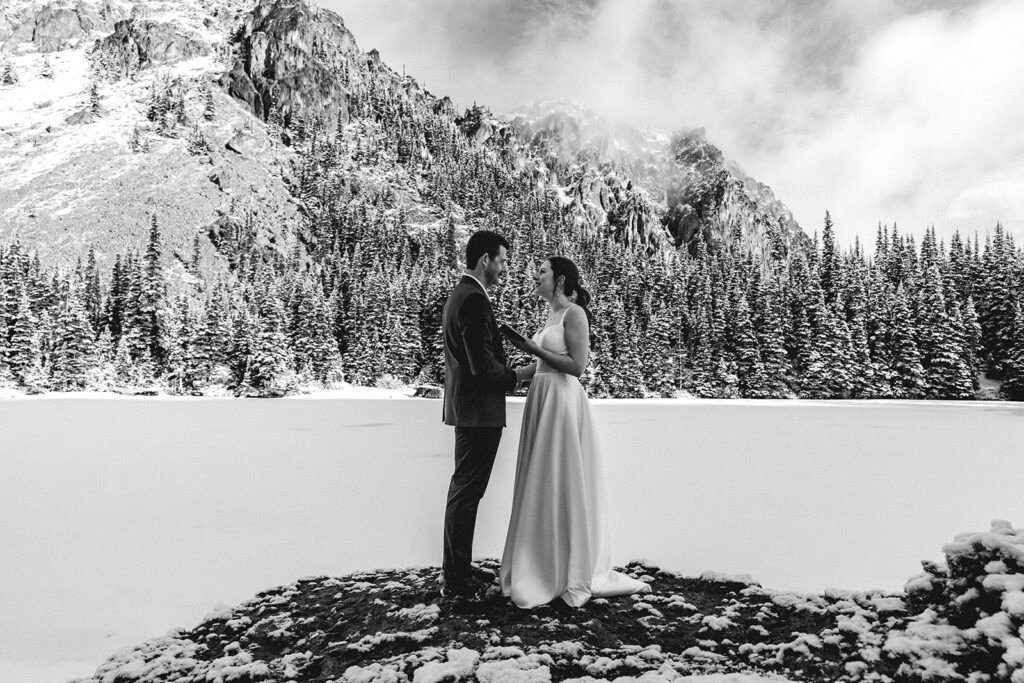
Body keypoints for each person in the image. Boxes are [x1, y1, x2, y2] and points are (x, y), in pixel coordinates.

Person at [500, 256, 650, 608]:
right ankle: (540, 560)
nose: (535, 276)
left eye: (542, 272)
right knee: (540, 478)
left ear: (561, 279)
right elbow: (540, 364)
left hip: (563, 402)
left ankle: (564, 566)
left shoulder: (574, 313)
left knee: (560, 477)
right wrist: (510, 374)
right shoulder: (551, 316)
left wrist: (532, 348)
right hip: (542, 397)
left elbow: (577, 366)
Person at [441, 230, 534, 600]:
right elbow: (482, 368)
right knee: (466, 494)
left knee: (464, 492)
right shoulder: (474, 300)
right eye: (502, 260)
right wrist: (519, 376)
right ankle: (457, 582)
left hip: (468, 409)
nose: (504, 268)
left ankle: (458, 572)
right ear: (485, 260)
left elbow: (474, 359)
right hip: (479, 412)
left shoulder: (460, 296)